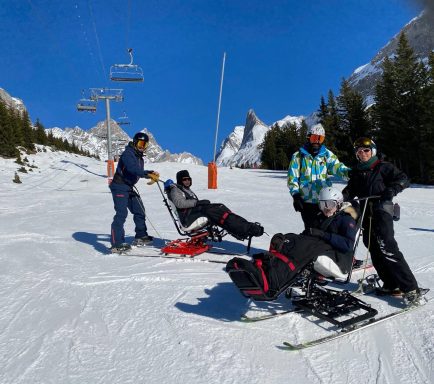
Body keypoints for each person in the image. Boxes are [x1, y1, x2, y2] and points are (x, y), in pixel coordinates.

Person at [226, 187, 359, 299]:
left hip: (339, 258)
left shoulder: (346, 220)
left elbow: (348, 245)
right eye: (322, 204)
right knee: (288, 240)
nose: (325, 208)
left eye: (329, 204)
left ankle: (271, 281)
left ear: (339, 204)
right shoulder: (323, 217)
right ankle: (263, 268)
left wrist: (324, 235)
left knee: (301, 249)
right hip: (321, 248)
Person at [342, 137, 428, 306]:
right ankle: (390, 284)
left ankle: (410, 288)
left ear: (372, 151)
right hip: (365, 212)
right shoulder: (357, 173)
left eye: (366, 150)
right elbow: (348, 192)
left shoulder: (383, 167)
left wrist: (391, 190)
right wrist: (340, 200)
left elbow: (403, 179)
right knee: (372, 246)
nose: (363, 154)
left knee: (387, 246)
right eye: (359, 152)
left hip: (382, 210)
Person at [164, 170, 264, 240]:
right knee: (215, 211)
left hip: (194, 214)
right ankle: (245, 229)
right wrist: (197, 202)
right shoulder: (175, 190)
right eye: (184, 179)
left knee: (220, 207)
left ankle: (241, 228)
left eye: (188, 179)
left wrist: (200, 203)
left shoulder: (186, 190)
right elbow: (179, 203)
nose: (187, 181)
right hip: (188, 219)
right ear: (180, 180)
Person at [287, 123, 350, 230]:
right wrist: (296, 196)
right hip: (306, 203)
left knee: (327, 230)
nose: (316, 141)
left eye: (320, 139)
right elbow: (292, 178)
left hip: (325, 201)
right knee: (310, 230)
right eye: (314, 138)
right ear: (308, 137)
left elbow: (337, 168)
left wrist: (351, 173)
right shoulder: (298, 156)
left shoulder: (326, 155)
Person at [109, 132, 159, 253]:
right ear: (135, 142)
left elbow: (138, 170)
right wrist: (147, 174)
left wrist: (150, 172)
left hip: (129, 187)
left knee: (139, 210)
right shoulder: (128, 153)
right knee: (121, 214)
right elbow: (133, 169)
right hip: (119, 186)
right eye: (141, 143)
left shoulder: (139, 157)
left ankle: (140, 236)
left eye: (145, 145)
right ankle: (117, 244)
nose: (143, 147)